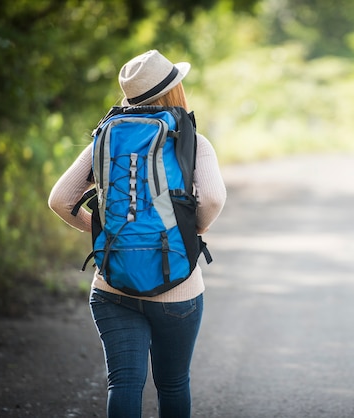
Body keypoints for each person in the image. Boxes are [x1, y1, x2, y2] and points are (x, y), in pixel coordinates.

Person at [48, 50, 226, 418]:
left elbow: (60, 200)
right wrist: (192, 232)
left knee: (124, 384)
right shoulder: (192, 141)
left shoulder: (105, 140)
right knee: (173, 384)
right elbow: (212, 198)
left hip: (112, 283)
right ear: (174, 92)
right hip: (177, 284)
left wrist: (104, 232)